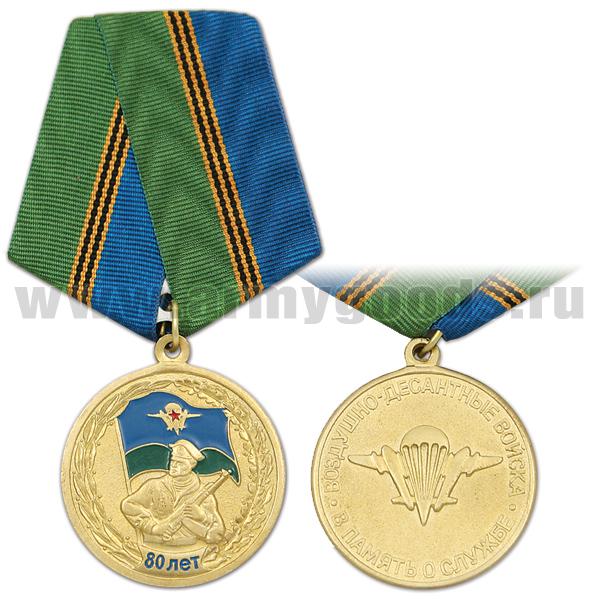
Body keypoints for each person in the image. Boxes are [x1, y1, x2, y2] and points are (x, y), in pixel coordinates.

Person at [121, 439, 225, 546]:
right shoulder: (154, 485)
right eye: (173, 461)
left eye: (180, 463)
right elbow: (127, 505)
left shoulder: (203, 494)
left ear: (192, 465)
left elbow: (218, 533)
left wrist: (203, 517)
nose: (174, 465)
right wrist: (153, 528)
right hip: (151, 545)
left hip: (191, 548)